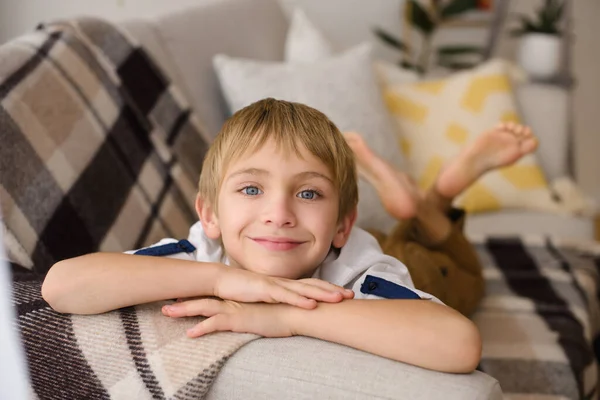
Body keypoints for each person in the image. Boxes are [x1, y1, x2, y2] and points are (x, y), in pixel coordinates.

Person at [42, 98, 483, 374]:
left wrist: (290, 316)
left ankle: (436, 199)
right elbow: (61, 286)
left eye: (308, 192)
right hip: (318, 239)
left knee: (460, 273)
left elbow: (459, 344)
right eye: (251, 189)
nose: (278, 214)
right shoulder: (202, 252)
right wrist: (220, 280)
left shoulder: (362, 270)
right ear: (210, 214)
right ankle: (421, 201)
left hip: (409, 261)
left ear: (343, 225)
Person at [344, 120, 538, 317]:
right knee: (464, 273)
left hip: (369, 259)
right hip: (399, 268)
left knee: (419, 249)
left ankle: (428, 200)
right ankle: (431, 199)